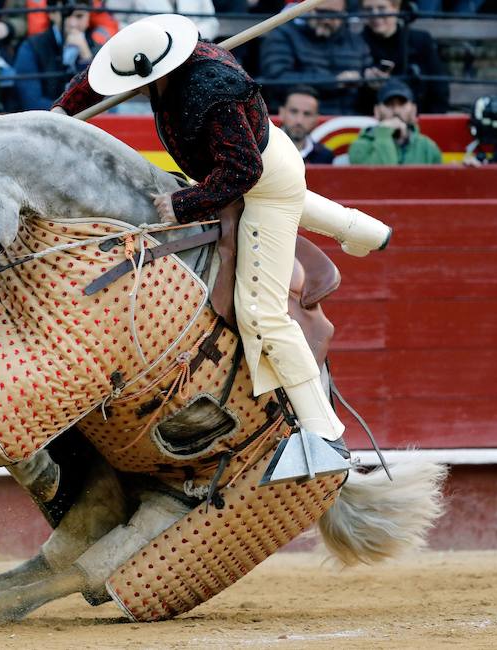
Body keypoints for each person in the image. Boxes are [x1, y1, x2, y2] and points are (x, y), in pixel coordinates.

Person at [51, 14, 391, 474]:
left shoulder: (213, 91)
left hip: (262, 184)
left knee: (261, 314)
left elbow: (242, 173)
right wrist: (60, 112)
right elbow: (100, 77)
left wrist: (184, 203)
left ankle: (324, 436)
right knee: (292, 197)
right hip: (270, 162)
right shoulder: (177, 59)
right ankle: (366, 232)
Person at [260, 0, 386, 114]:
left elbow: (367, 97)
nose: (327, 19)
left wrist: (371, 84)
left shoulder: (356, 42)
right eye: (322, 12)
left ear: (343, 13)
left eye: (334, 14)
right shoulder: (283, 35)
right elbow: (277, 79)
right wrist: (334, 82)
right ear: (306, 9)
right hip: (301, 122)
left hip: (350, 122)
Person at [360, 0, 449, 114]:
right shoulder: (357, 43)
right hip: (373, 119)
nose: (375, 14)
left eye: (381, 8)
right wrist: (367, 83)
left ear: (396, 9)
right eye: (368, 9)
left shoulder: (420, 40)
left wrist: (432, 122)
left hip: (419, 117)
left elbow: (439, 88)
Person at [13, 0, 99, 110]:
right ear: (51, 13)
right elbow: (31, 102)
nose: (73, 23)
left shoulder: (99, 50)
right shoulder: (31, 47)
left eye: (79, 16)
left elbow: (103, 103)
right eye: (67, 15)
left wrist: (86, 58)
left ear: (89, 16)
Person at [348, 79, 442, 164]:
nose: (396, 111)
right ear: (376, 111)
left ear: (413, 110)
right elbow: (383, 178)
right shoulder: (360, 146)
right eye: (389, 104)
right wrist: (384, 134)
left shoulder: (427, 147)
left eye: (402, 104)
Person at [106, 0, 220, 42]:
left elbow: (211, 22)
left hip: (192, 50)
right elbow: (114, 22)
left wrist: (189, 35)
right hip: (148, 53)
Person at [279, 85, 333, 164]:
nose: (299, 120)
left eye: (307, 114)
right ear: (282, 113)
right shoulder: (263, 150)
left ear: (316, 119)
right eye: (294, 111)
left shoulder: (325, 156)